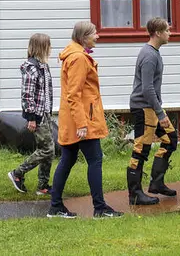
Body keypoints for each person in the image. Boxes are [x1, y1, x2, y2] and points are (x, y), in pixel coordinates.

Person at [48, 21, 122, 219]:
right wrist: (82, 124)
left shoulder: (74, 55)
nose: (97, 36)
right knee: (95, 160)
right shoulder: (79, 58)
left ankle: (55, 207)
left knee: (67, 160)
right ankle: (100, 208)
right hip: (82, 121)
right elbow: (74, 94)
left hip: (75, 119)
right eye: (94, 33)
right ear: (83, 37)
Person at [127, 17, 178, 205]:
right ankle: (135, 194)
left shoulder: (154, 52)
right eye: (166, 31)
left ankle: (156, 183)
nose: (169, 33)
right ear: (157, 33)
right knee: (141, 149)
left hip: (151, 107)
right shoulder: (149, 55)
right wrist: (160, 113)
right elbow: (147, 89)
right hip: (144, 108)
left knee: (170, 139)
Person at [8, 33, 55, 195]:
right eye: (48, 45)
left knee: (49, 149)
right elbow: (27, 95)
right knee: (47, 150)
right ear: (42, 47)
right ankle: (17, 173)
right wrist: (31, 118)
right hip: (37, 115)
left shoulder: (43, 66)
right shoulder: (31, 68)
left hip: (45, 112)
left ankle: (43, 185)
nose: (50, 49)